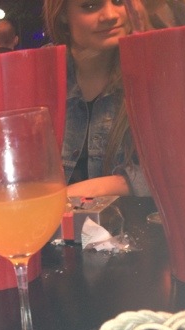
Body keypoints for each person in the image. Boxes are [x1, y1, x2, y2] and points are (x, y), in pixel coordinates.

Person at [44, 0, 150, 198]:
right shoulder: (38, 76)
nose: (110, 15)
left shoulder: (154, 71)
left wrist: (102, 187)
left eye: (119, 1)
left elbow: (180, 172)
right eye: (91, 6)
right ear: (63, 14)